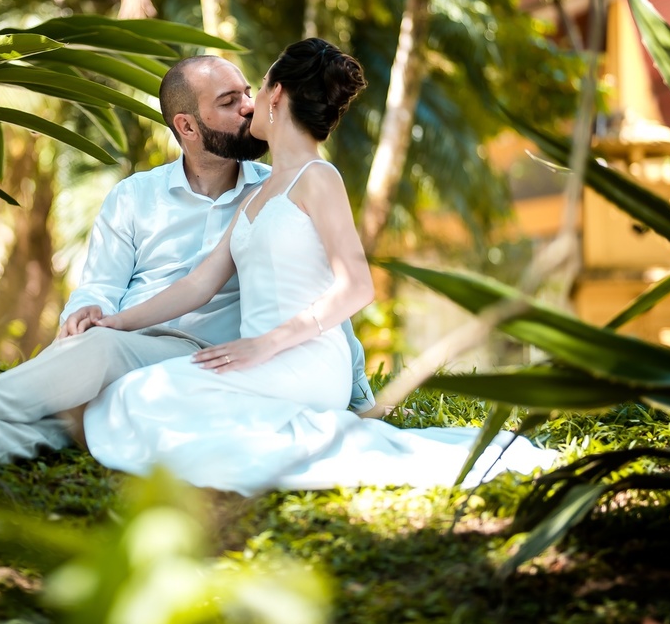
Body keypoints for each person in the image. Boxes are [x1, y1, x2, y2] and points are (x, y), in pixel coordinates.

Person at [81, 39, 555, 495]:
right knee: (133, 394)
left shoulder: (319, 178)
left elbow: (356, 288)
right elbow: (199, 284)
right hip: (260, 358)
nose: (249, 105)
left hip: (301, 358)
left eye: (257, 90)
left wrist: (265, 345)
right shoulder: (260, 190)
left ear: (278, 95)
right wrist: (112, 321)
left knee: (141, 397)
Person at [0, 54, 374, 469]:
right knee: (95, 370)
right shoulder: (135, 197)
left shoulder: (277, 187)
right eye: (228, 102)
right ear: (187, 126)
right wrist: (92, 314)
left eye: (248, 93)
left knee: (103, 362)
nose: (249, 108)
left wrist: (355, 386)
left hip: (212, 356)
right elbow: (102, 283)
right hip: (133, 334)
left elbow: (321, 283)